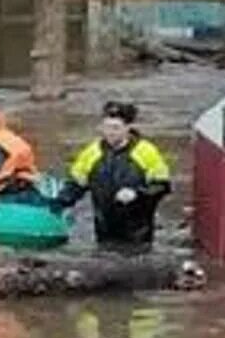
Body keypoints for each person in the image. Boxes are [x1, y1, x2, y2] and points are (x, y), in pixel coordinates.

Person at [56, 100, 172, 248]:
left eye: (115, 128)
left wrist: (137, 194)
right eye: (106, 127)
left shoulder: (146, 152)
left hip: (137, 233)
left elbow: (162, 186)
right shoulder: (91, 152)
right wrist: (58, 203)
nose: (110, 132)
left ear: (128, 128)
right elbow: (76, 184)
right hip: (104, 231)